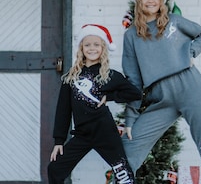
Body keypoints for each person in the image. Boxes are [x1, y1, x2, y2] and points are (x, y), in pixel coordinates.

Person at [121, 0, 201, 184]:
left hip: (191, 89)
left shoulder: (175, 22)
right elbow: (132, 80)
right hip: (161, 98)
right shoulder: (131, 35)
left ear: (162, 0)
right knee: (128, 147)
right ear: (138, 1)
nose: (150, 0)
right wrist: (131, 118)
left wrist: (191, 52)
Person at [48, 24, 142, 184]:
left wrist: (109, 96)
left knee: (124, 176)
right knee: (55, 169)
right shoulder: (71, 77)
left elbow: (135, 93)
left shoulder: (110, 75)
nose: (92, 48)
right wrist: (59, 141)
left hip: (105, 133)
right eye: (87, 45)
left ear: (103, 48)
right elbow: (63, 110)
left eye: (96, 44)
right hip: (82, 134)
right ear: (81, 48)